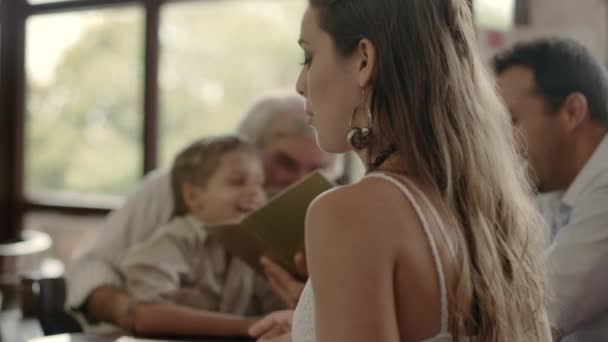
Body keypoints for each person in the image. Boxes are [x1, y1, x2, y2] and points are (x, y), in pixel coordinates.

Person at [251, 0, 551, 341]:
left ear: (364, 60)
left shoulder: (349, 212)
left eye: (309, 57)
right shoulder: (482, 208)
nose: (300, 84)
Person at [66, 92, 339, 331]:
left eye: (317, 170)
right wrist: (129, 311)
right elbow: (92, 267)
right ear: (247, 151)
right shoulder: (170, 191)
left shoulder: (330, 210)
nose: (299, 181)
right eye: (285, 163)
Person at [494, 38, 608, 342]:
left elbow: (532, 319)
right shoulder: (555, 185)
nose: (502, 143)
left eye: (512, 121)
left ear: (572, 111)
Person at [119, 135, 282, 337]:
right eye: (237, 182)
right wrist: (252, 326)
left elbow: (279, 308)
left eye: (260, 184)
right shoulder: (175, 240)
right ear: (193, 196)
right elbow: (146, 315)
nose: (254, 192)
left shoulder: (255, 248)